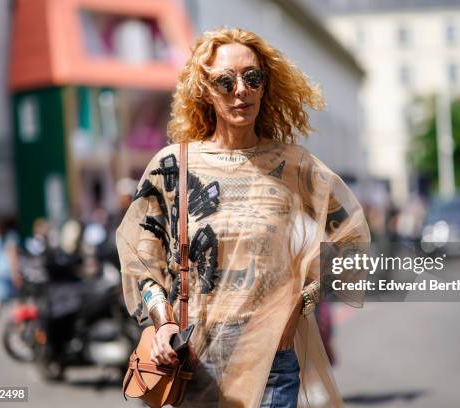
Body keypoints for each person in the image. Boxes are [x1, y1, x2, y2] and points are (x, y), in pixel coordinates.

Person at [116, 27, 370, 407]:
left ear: (265, 85)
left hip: (271, 361)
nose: (241, 90)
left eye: (253, 78)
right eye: (225, 81)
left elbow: (353, 240)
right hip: (196, 363)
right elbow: (141, 257)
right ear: (204, 89)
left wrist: (303, 300)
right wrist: (163, 320)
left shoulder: (292, 166)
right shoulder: (173, 167)